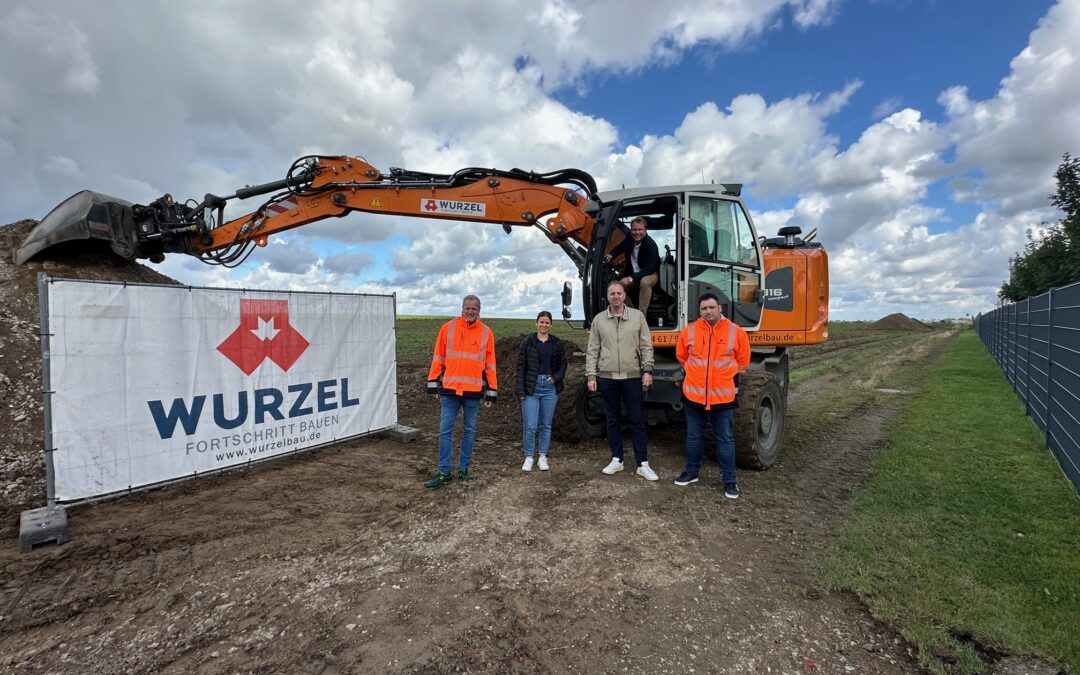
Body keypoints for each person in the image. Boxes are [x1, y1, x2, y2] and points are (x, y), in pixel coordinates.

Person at [673, 292, 751, 499]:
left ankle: (729, 480)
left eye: (711, 307)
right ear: (699, 312)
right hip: (694, 397)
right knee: (693, 437)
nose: (708, 311)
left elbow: (743, 360)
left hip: (722, 399)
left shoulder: (736, 332)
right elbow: (681, 356)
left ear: (720, 308)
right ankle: (691, 472)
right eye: (704, 308)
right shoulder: (689, 331)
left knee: (725, 439)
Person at [586, 280, 657, 480]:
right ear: (607, 297)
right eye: (612, 294)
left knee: (636, 420)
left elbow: (646, 345)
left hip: (632, 377)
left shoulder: (637, 317)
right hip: (607, 378)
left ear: (624, 296)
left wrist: (648, 370)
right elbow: (592, 350)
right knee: (612, 420)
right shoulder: (599, 320)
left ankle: (643, 463)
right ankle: (617, 459)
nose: (615, 296)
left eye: (619, 293)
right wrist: (591, 375)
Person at [424, 295, 498, 489]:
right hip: (449, 390)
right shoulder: (447, 329)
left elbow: (490, 365)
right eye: (468, 308)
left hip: (473, 392)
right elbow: (438, 357)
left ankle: (464, 469)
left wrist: (492, 390)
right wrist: (433, 383)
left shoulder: (486, 333)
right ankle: (444, 472)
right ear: (462, 308)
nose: (470, 311)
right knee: (445, 431)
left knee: (469, 432)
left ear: (479, 310)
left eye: (474, 308)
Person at [515, 311, 567, 472]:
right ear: (536, 323)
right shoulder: (528, 343)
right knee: (530, 425)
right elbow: (521, 367)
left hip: (549, 388)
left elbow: (563, 364)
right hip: (532, 387)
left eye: (547, 322)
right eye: (541, 322)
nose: (544, 325)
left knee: (546, 424)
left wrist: (555, 378)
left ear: (551, 325)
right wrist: (521, 390)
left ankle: (542, 457)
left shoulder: (556, 343)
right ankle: (529, 457)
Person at [604, 217, 660, 318]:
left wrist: (631, 278)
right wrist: (611, 255)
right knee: (616, 287)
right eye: (634, 229)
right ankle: (632, 314)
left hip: (650, 274)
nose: (637, 232)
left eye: (640, 230)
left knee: (645, 282)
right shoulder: (629, 238)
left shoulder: (651, 245)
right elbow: (620, 247)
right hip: (634, 274)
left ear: (645, 230)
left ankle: (641, 316)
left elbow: (649, 269)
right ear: (631, 230)